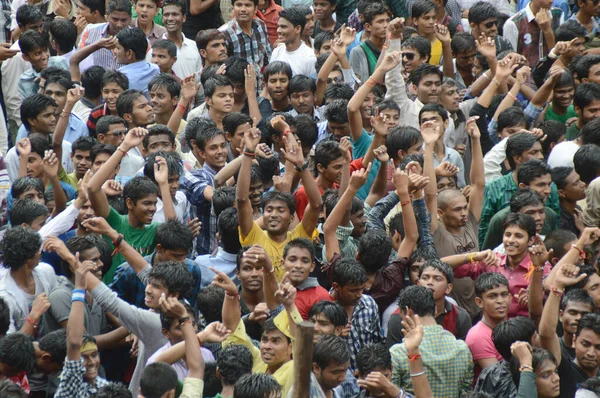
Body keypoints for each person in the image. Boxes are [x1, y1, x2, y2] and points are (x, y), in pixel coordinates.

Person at [87, 128, 176, 282]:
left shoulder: (154, 230)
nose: (153, 209)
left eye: (154, 204)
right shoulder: (115, 222)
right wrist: (124, 146)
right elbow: (92, 188)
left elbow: (174, 231)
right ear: (129, 203)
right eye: (147, 203)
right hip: (114, 297)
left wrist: (163, 184)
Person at [237, 127, 321, 280]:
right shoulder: (255, 237)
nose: (274, 214)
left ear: (291, 217)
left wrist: (301, 165)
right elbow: (242, 200)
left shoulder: (298, 239)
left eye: (281, 210)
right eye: (269, 209)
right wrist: (248, 152)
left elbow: (316, 204)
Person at [390, 285, 473, 396]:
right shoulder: (462, 349)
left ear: (408, 312)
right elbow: (466, 392)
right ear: (435, 310)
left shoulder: (399, 352)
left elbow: (392, 392)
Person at [539, 261, 600, 398]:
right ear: (575, 340)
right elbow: (546, 333)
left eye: (598, 347)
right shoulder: (565, 370)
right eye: (585, 344)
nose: (591, 353)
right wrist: (558, 286)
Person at [110, 218, 201, 308]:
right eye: (176, 256)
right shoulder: (128, 272)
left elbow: (189, 311)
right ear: (159, 248)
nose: (182, 262)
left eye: (185, 256)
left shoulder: (192, 270)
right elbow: (112, 307)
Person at [219, 0, 272, 91]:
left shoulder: (261, 26)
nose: (243, 9)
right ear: (233, 7)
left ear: (255, 9)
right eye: (239, 5)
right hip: (237, 94)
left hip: (261, 89)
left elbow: (269, 58)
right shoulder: (224, 34)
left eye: (248, 5)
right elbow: (221, 70)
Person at [467, 273, 511, 378]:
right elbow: (499, 380)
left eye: (504, 294)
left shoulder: (512, 326)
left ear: (510, 297)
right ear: (479, 302)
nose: (500, 301)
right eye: (492, 296)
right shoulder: (478, 336)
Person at [78, 0, 132, 71]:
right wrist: (96, 46)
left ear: (130, 17)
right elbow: (78, 57)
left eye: (123, 20)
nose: (119, 24)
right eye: (115, 19)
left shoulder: (139, 39)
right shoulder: (90, 31)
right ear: (107, 14)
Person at [18, 30, 68, 100]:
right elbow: (28, 109)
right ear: (26, 57)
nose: (44, 57)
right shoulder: (24, 81)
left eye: (45, 50)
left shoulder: (60, 63)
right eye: (37, 54)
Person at [160, 0, 202, 79]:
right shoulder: (155, 50)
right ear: (162, 18)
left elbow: (198, 80)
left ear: (184, 17)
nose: (170, 18)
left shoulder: (194, 46)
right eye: (166, 15)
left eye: (175, 14)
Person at [349, 3, 390, 82]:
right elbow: (355, 84)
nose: (386, 25)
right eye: (380, 22)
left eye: (388, 21)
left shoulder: (393, 47)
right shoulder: (358, 51)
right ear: (368, 27)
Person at [270, 7, 316, 77]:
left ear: (297, 29)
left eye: (283, 27)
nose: (278, 30)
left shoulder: (309, 57)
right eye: (278, 26)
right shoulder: (277, 52)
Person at [114, 27, 160, 95]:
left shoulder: (120, 77)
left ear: (129, 53)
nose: (114, 51)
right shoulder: (155, 69)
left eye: (118, 48)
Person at [552, 167, 586, 236]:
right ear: (561, 193)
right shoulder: (559, 221)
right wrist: (582, 230)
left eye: (580, 180)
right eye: (576, 183)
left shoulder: (577, 209)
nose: (583, 184)